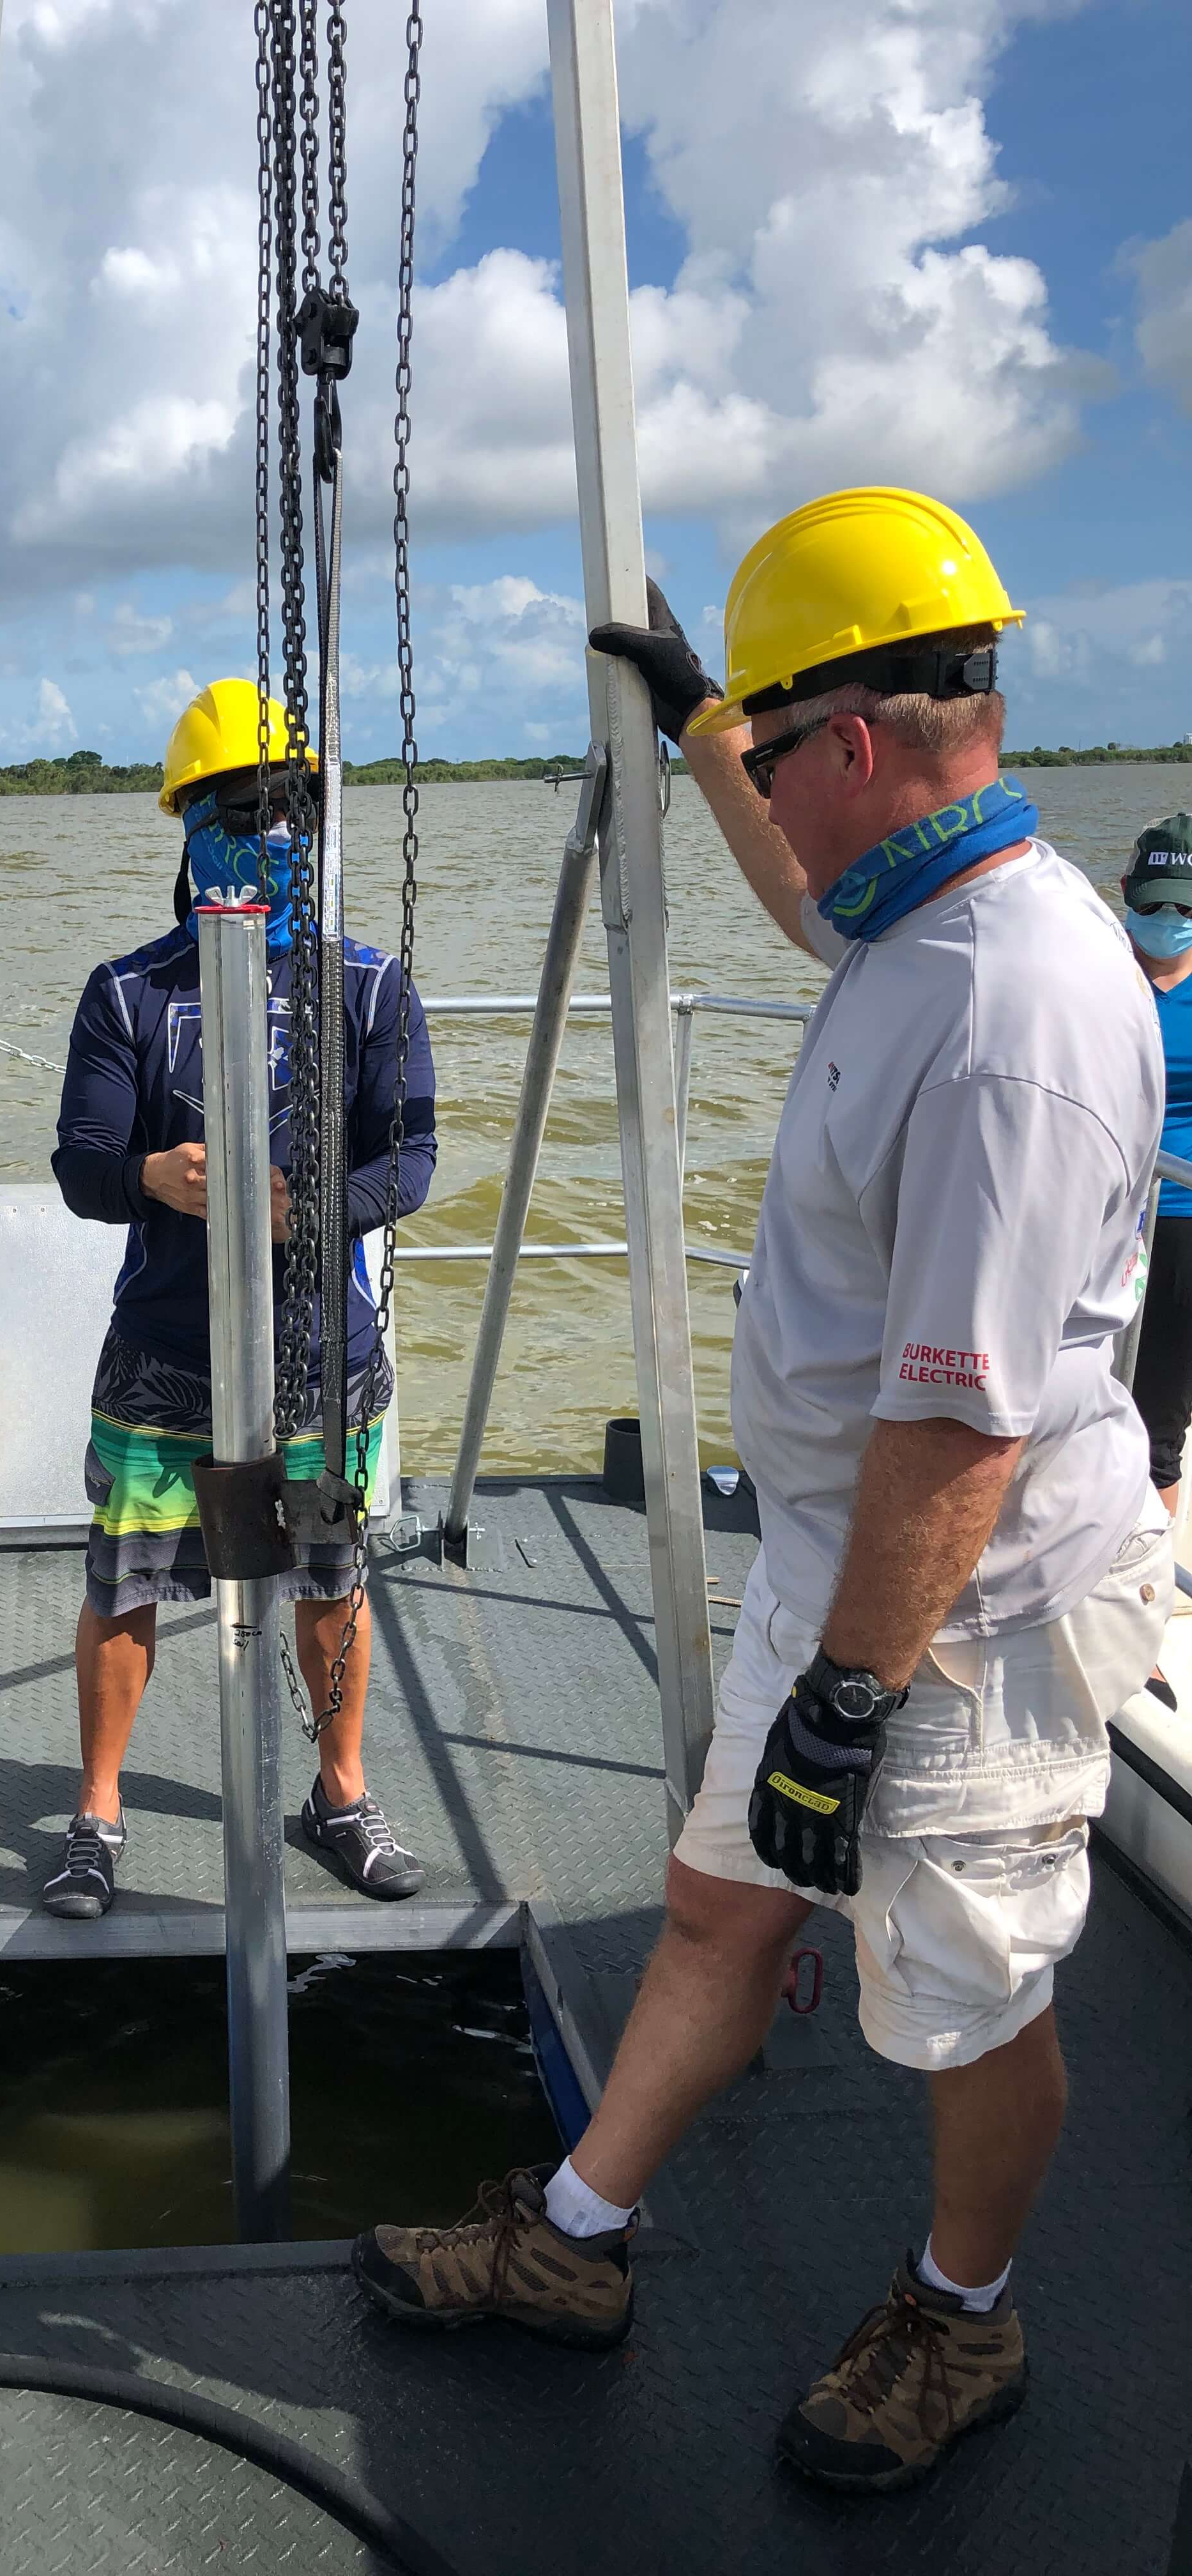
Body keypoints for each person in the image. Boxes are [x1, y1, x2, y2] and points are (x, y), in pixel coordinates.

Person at [351, 488, 1173, 2494]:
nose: (783, 818)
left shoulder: (1008, 1014)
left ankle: (960, 2322)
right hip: (855, 1569)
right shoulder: (919, 915)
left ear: (868, 745)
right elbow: (802, 899)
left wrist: (850, 1696)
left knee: (969, 1990)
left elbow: (961, 1425)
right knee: (723, 1901)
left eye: (791, 763)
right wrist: (707, 725)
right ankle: (579, 2240)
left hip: (960, 1615)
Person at [44, 677, 438, 1919]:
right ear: (184, 823)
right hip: (166, 1357)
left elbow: (411, 1161)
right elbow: (80, 1167)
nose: (268, 836)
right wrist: (152, 1174)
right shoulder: (128, 994)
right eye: (234, 809)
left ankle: (340, 1792)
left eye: (289, 813)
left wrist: (313, 1208)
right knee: (123, 1583)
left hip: (326, 1356)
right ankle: (98, 1812)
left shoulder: (369, 990)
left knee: (333, 1579)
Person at [1122, 812, 1192, 1708]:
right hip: (1112, 1216)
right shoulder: (1101, 976)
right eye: (1153, 906)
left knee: (1160, 1429)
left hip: (1185, 1221)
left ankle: (1141, 1609)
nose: (1167, 924)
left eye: (1181, 907)